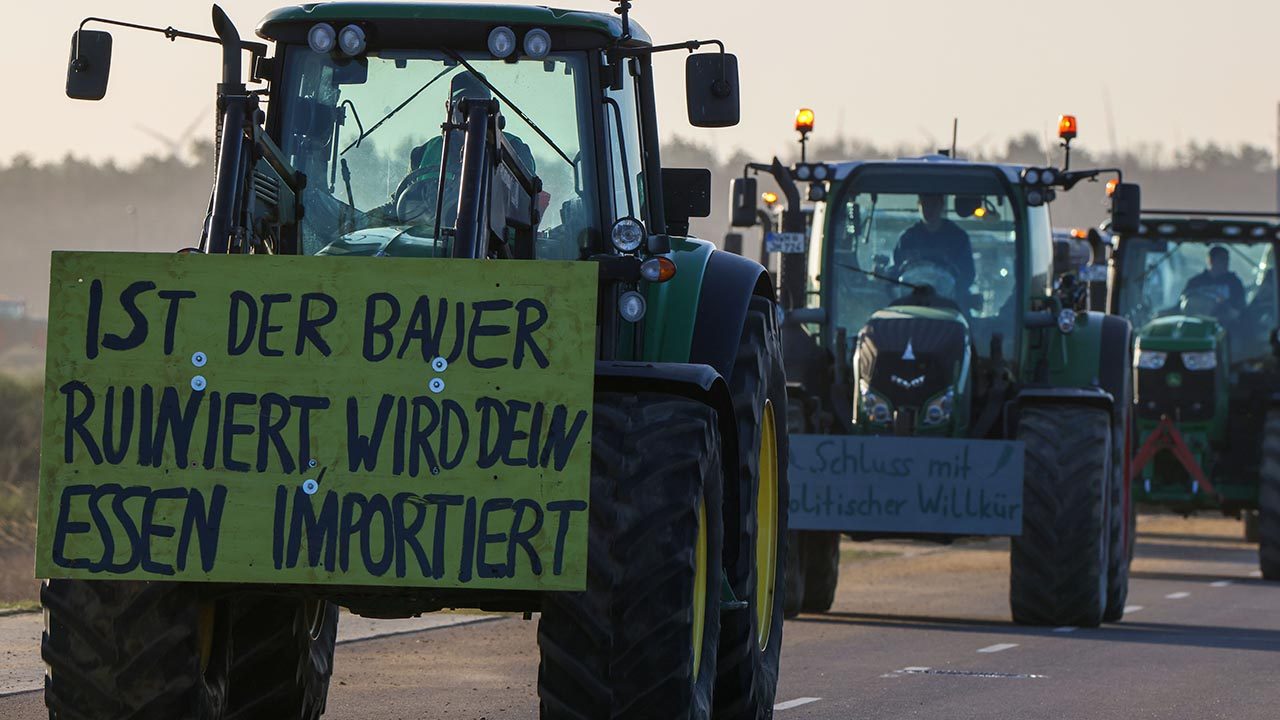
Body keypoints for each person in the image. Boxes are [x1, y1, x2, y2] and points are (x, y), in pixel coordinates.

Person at [893, 193, 976, 298]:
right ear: (919, 205)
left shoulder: (958, 238)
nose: (929, 209)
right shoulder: (907, 238)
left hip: (950, 303)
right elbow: (897, 272)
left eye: (933, 204)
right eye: (925, 204)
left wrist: (955, 291)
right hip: (911, 301)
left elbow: (967, 275)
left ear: (941, 205)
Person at [1181, 246, 1246, 320]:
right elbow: (1184, 302)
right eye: (1222, 259)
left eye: (1227, 260)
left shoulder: (1234, 283)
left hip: (1225, 326)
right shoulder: (1195, 282)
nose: (1226, 263)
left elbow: (1239, 310)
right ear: (1210, 260)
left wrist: (1225, 306)